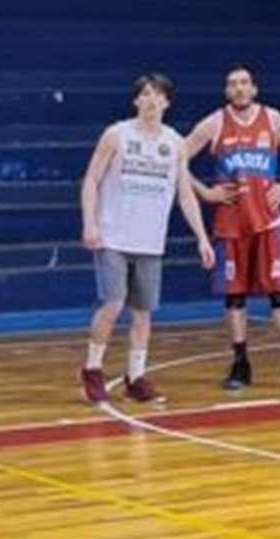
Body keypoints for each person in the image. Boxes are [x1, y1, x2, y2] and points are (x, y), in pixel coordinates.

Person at [185, 64, 280, 391]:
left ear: (254, 88)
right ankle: (240, 364)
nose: (239, 88)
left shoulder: (272, 118)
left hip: (267, 221)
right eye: (232, 83)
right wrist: (205, 192)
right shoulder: (214, 123)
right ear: (226, 91)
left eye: (244, 82)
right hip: (231, 223)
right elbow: (178, 157)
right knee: (235, 297)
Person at [78, 74, 216, 405]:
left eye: (157, 95)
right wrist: (90, 223)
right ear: (136, 100)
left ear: (166, 102)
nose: (151, 100)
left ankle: (135, 377)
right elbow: (91, 180)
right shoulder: (116, 135)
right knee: (113, 303)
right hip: (113, 235)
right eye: (145, 94)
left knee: (143, 313)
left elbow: (185, 194)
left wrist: (202, 237)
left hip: (150, 240)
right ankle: (92, 369)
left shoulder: (175, 144)